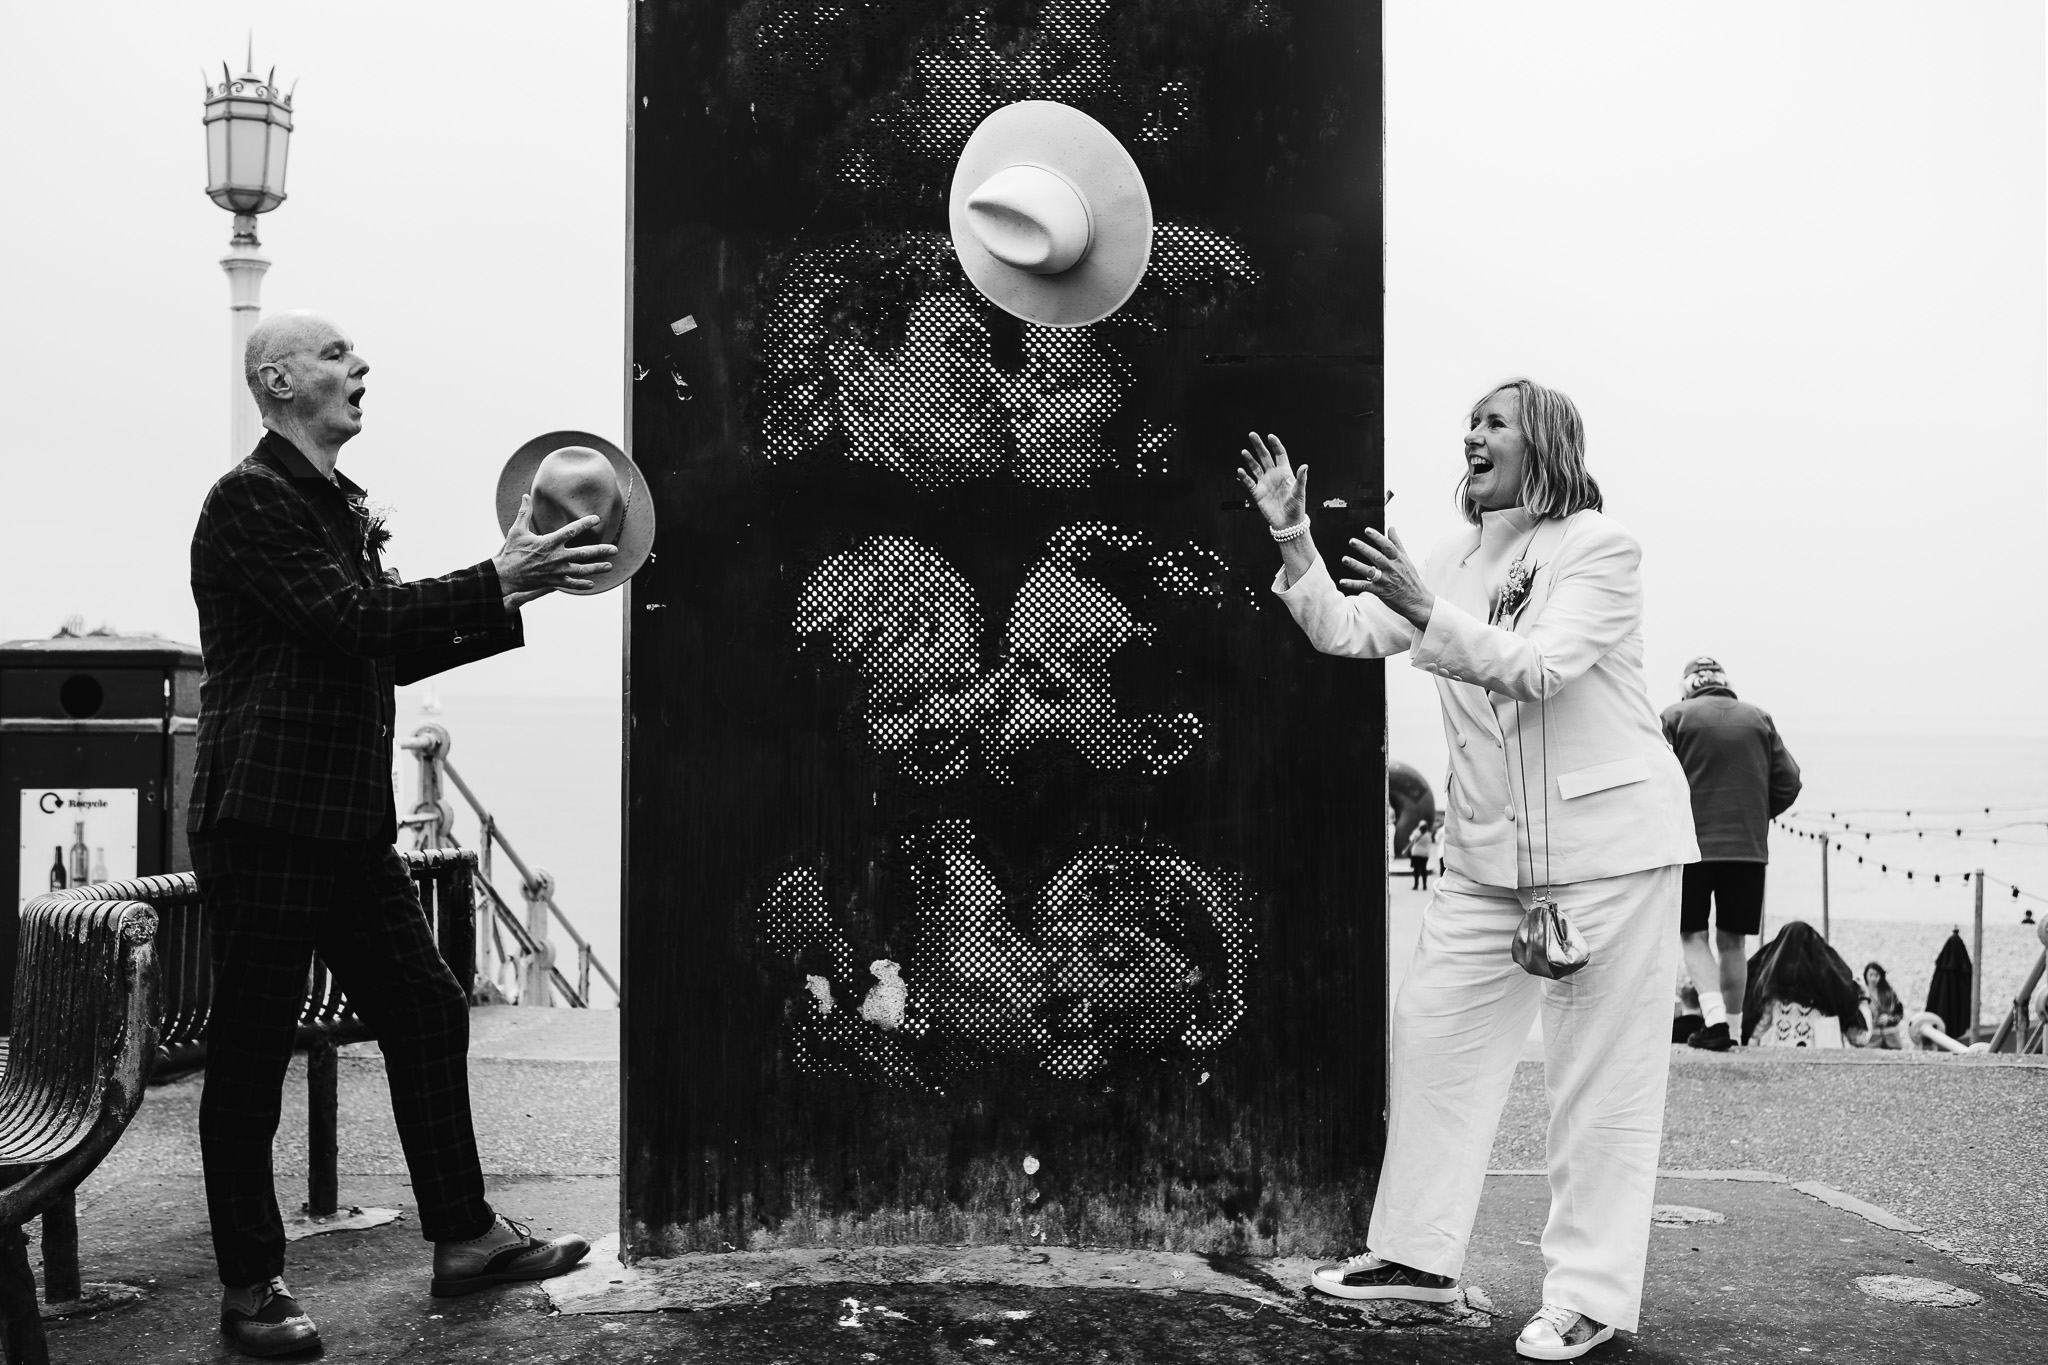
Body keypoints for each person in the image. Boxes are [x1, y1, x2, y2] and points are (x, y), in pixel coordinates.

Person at [1238, 377, 1698, 1361]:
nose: (1471, 436)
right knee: (1434, 1032)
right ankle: (1413, 1259)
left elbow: (1538, 667)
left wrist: (1423, 611)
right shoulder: (1447, 556)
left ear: (1543, 442)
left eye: (1492, 422)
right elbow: (1346, 632)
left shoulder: (1598, 551)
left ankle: (1589, 1298)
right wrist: (1293, 540)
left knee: (1596, 1084)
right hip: (1487, 861)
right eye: (1468, 424)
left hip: (1609, 853)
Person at [189, 313, 608, 1356]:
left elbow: (382, 646)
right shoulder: (251, 500)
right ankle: (251, 1289)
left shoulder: (334, 507)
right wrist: (493, 576)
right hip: (266, 823)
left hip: (342, 827)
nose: (359, 366)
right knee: (249, 1058)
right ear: (276, 380)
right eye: (335, 355)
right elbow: (357, 622)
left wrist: (517, 588)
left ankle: (463, 1238)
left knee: (424, 1008)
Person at [1660, 657, 1801, 1050]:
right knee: (1733, 941)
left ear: (1688, 686)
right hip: (1748, 850)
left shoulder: (1674, 717)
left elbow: (1653, 778)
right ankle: (1735, 1033)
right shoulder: (1759, 719)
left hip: (1691, 847)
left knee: (1691, 933)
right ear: (1724, 684)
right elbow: (1790, 782)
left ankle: (1715, 1020)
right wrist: (1756, 814)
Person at [1406, 821, 1436, 891]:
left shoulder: (1416, 834)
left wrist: (1416, 831)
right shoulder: (1428, 835)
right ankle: (1424, 885)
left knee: (1416, 870)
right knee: (1423, 870)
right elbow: (1430, 843)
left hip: (1416, 854)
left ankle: (1416, 885)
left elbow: (1411, 839)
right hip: (1424, 855)